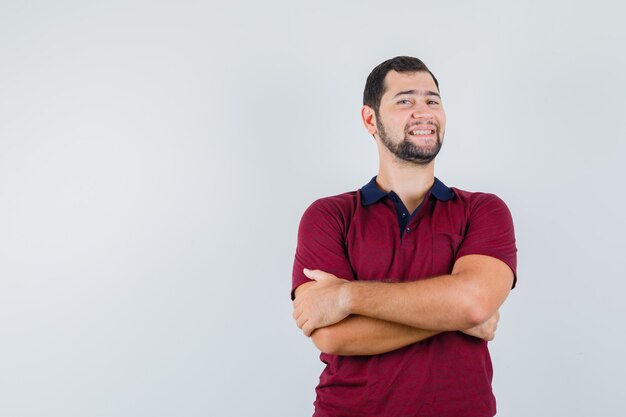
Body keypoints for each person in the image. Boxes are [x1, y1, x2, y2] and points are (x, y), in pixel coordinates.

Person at [291, 56, 517, 417]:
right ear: (370, 120)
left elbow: (473, 303)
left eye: (432, 100)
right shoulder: (328, 215)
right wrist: (455, 317)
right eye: (405, 101)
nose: (423, 111)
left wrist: (347, 296)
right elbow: (333, 336)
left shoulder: (484, 210)